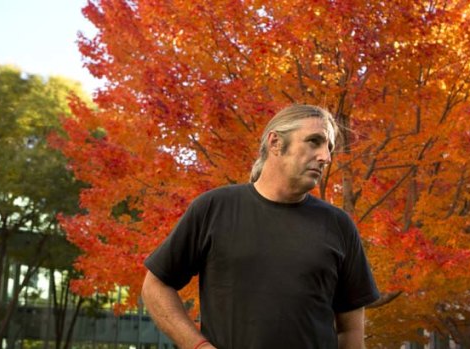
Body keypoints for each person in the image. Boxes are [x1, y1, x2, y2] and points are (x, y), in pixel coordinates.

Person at [142, 104, 380, 349]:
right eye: (314, 141)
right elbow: (156, 285)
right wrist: (198, 346)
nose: (325, 157)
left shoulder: (338, 225)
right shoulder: (214, 209)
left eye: (328, 148)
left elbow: (350, 331)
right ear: (275, 143)